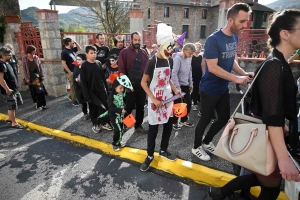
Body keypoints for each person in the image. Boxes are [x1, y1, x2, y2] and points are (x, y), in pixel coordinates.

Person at [207, 9, 300, 200]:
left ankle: (220, 192)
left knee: (263, 177)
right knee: (271, 187)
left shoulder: (278, 62)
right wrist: (283, 159)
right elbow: (272, 116)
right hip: (266, 136)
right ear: (285, 34)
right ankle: (221, 192)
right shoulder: (274, 65)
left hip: (269, 135)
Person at [193, 3, 254, 161]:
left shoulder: (234, 36)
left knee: (224, 118)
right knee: (205, 119)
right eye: (242, 21)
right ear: (230, 20)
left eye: (246, 21)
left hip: (222, 88)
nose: (244, 25)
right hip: (209, 89)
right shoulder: (213, 40)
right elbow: (212, 68)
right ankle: (195, 147)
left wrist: (243, 73)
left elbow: (231, 60)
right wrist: (236, 79)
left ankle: (206, 141)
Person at [140, 23, 181, 172]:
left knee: (168, 127)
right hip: (155, 100)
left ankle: (163, 150)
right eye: (168, 48)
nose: (170, 51)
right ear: (159, 45)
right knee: (153, 129)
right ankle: (150, 155)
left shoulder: (170, 59)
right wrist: (154, 99)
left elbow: (168, 77)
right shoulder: (152, 61)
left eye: (171, 48)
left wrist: (175, 89)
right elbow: (143, 83)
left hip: (167, 98)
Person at [118, 32, 148, 133]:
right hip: (130, 86)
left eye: (139, 40)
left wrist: (147, 86)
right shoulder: (124, 52)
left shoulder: (144, 52)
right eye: (135, 40)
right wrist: (126, 86)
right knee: (129, 107)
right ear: (130, 40)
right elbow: (121, 71)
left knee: (141, 107)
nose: (137, 42)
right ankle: (124, 126)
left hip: (142, 86)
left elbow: (147, 70)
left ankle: (138, 126)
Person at [80, 45, 112, 133]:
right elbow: (83, 83)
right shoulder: (84, 66)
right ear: (86, 54)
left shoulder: (98, 63)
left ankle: (105, 122)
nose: (94, 55)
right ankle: (96, 124)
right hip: (91, 93)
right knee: (94, 109)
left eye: (95, 53)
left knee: (105, 107)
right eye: (91, 53)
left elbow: (102, 77)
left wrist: (106, 90)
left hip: (101, 91)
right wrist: (87, 96)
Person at [104, 75, 133, 152]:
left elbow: (125, 99)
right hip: (114, 116)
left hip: (121, 116)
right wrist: (120, 110)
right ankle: (114, 143)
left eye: (122, 88)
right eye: (120, 88)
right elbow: (110, 108)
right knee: (117, 130)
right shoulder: (111, 96)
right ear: (115, 87)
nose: (122, 89)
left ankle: (119, 141)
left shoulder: (121, 93)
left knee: (121, 129)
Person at [171, 43, 196, 130]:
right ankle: (174, 121)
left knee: (188, 103)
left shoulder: (189, 58)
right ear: (185, 51)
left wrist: (191, 83)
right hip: (177, 85)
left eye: (192, 54)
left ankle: (184, 120)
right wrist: (177, 88)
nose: (191, 55)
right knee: (177, 105)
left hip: (185, 85)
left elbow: (190, 71)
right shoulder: (177, 58)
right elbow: (173, 74)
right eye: (190, 53)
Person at [0, 47, 23, 128]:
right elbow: (1, 79)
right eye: (9, 55)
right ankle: (14, 122)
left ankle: (10, 118)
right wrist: (7, 89)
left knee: (16, 104)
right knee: (12, 106)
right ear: (3, 55)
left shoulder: (6, 63)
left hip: (14, 89)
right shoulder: (1, 65)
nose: (11, 56)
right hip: (8, 90)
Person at [61, 37, 81, 106]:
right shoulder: (64, 52)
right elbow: (63, 63)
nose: (73, 43)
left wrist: (75, 42)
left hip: (75, 71)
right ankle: (74, 101)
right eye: (72, 42)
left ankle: (71, 96)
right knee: (73, 86)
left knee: (76, 84)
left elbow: (79, 49)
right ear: (69, 43)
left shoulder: (72, 50)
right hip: (70, 72)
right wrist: (69, 72)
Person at [73, 53, 89, 120]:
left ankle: (92, 113)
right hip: (79, 88)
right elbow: (74, 76)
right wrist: (76, 79)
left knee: (90, 101)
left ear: (84, 60)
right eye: (76, 59)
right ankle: (85, 113)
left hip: (87, 88)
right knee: (83, 102)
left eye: (79, 59)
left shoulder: (87, 67)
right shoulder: (76, 67)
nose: (77, 61)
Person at [191, 42, 202, 111]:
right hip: (193, 74)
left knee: (197, 89)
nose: (197, 49)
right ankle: (194, 103)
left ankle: (196, 100)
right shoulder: (191, 56)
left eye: (199, 47)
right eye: (196, 47)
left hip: (199, 74)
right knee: (194, 89)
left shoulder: (201, 56)